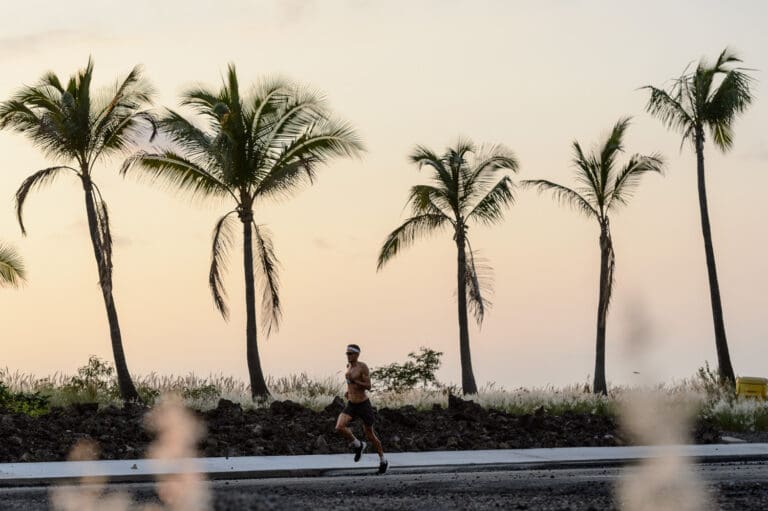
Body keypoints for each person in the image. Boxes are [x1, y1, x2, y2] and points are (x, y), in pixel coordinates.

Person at [334, 343, 388, 474]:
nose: (348, 356)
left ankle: (383, 460)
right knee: (339, 427)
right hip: (352, 404)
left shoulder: (362, 367)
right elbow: (349, 384)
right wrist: (348, 392)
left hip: (363, 405)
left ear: (357, 354)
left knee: (370, 434)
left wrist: (355, 381)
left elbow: (368, 386)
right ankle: (358, 445)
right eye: (347, 353)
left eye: (351, 353)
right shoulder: (348, 367)